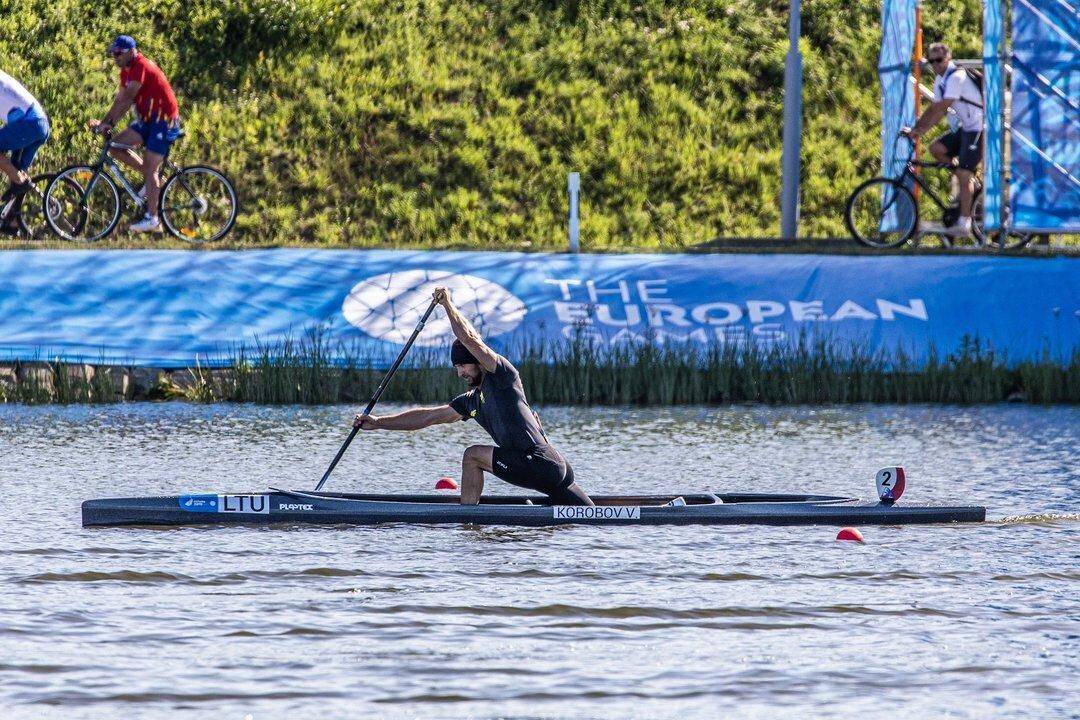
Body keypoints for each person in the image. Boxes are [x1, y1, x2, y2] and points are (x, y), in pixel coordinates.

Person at [354, 287, 594, 507]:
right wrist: (378, 423)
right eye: (456, 368)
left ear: (478, 361)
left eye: (463, 365)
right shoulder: (471, 401)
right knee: (593, 517)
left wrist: (447, 305)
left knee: (472, 456)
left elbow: (470, 339)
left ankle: (467, 516)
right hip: (557, 470)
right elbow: (427, 418)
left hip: (539, 463)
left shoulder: (501, 375)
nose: (460, 373)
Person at [88, 35, 181, 234]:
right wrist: (105, 123)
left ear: (131, 51)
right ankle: (152, 183)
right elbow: (121, 100)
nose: (115, 57)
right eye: (113, 53)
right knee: (114, 146)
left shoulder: (141, 66)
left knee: (151, 169)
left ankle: (153, 219)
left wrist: (106, 123)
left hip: (164, 121)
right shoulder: (126, 72)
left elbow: (127, 98)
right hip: (147, 121)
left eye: (119, 53)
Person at [901, 42, 984, 237]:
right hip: (966, 128)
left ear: (948, 58)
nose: (935, 65)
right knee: (936, 150)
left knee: (964, 175)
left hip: (979, 127)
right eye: (931, 61)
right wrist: (917, 130)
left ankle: (965, 224)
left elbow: (940, 108)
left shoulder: (957, 76)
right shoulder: (940, 80)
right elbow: (936, 110)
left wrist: (917, 130)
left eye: (939, 60)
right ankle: (969, 185)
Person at [0, 69, 50, 235]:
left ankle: (20, 180)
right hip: (36, 123)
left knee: (17, 177)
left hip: (30, 124)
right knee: (15, 168)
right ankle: (12, 222)